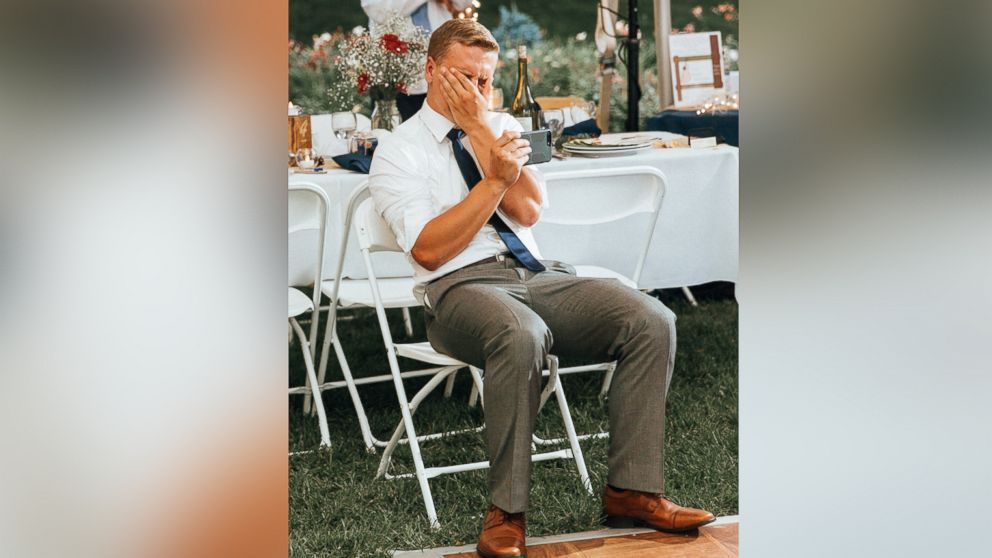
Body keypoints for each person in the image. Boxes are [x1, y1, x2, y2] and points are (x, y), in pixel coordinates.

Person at [368, 19, 715, 558]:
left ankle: (632, 490)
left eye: (485, 81)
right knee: (520, 332)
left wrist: (482, 131)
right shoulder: (398, 150)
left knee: (652, 320)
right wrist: (494, 180)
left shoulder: (502, 126)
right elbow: (431, 250)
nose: (477, 92)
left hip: (537, 273)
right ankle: (506, 513)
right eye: (464, 78)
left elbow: (528, 210)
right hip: (458, 291)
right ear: (431, 71)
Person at [361, 0, 473, 120]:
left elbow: (463, 3)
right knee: (396, 133)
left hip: (441, 71)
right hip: (397, 78)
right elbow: (379, 11)